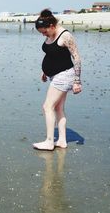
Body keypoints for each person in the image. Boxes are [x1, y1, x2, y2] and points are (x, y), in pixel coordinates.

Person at [32, 9, 82, 151]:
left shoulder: (65, 36)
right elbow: (52, 54)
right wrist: (45, 71)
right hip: (55, 75)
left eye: (45, 32)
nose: (43, 34)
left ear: (52, 26)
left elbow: (77, 58)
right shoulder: (51, 33)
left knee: (47, 107)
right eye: (41, 33)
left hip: (65, 75)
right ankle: (62, 140)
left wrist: (77, 81)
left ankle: (49, 141)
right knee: (59, 108)